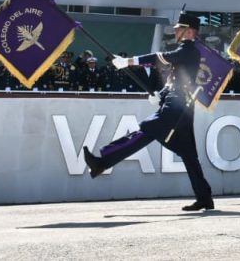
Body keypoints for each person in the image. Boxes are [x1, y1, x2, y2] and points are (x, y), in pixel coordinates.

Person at [84, 13, 214, 211]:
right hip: (179, 105)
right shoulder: (184, 51)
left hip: (177, 106)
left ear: (190, 31)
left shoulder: (189, 51)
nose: (175, 30)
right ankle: (204, 198)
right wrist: (160, 94)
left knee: (145, 131)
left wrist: (127, 62)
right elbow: (176, 80)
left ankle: (103, 161)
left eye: (179, 28)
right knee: (188, 154)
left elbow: (157, 58)